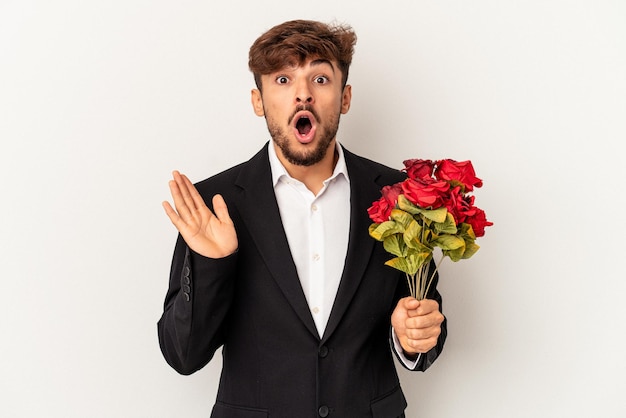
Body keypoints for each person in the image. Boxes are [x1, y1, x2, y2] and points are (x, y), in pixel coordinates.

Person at [158, 19, 446, 418]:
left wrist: (412, 335)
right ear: (258, 101)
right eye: (282, 80)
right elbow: (182, 355)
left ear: (344, 98)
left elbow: (428, 320)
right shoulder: (214, 203)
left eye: (320, 79)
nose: (303, 95)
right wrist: (214, 263)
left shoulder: (400, 196)